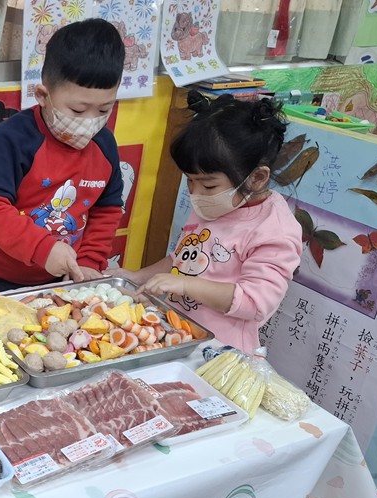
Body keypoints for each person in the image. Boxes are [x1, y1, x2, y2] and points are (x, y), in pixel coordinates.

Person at [120, 91, 302, 353]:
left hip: (220, 351)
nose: (195, 193)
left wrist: (186, 285)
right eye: (189, 181)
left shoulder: (274, 231)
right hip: (178, 335)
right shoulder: (215, 202)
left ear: (257, 178)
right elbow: (183, 260)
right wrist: (136, 277)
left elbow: (255, 302)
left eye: (207, 185)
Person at [0, 18, 127, 294]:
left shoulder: (105, 146)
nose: (90, 121)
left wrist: (89, 261)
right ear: (42, 95)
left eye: (103, 110)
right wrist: (41, 247)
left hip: (58, 279)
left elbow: (106, 209)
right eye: (77, 110)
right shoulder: (10, 140)